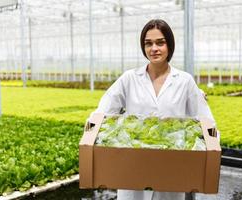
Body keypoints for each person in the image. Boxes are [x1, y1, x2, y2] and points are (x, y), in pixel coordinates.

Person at [89, 19, 215, 200]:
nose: (154, 48)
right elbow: (103, 111)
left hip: (170, 172)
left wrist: (210, 150)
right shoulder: (129, 79)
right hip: (133, 170)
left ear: (169, 45)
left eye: (160, 42)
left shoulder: (184, 81)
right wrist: (91, 133)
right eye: (148, 43)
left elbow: (206, 121)